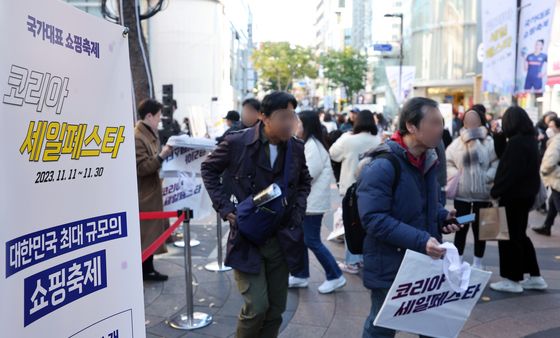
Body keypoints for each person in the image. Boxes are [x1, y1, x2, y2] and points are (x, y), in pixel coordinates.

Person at [201, 91, 311, 338]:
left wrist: (297, 212)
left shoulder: (295, 148)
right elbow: (208, 168)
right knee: (257, 307)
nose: (289, 123)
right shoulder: (237, 142)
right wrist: (226, 209)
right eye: (283, 116)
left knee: (276, 309)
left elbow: (304, 181)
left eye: (292, 116)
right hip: (247, 236)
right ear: (263, 117)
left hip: (281, 237)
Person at [357, 97, 461, 338]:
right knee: (382, 325)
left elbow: (423, 205)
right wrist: (421, 240)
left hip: (424, 260)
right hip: (390, 262)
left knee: (431, 322)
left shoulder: (428, 159)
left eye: (441, 122)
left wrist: (441, 216)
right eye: (434, 123)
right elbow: (373, 219)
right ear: (412, 127)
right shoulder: (382, 165)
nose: (441, 129)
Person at [490, 106, 547, 293]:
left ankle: (512, 279)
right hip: (524, 197)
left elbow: (511, 172)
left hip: (512, 197)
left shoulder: (517, 143)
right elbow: (505, 157)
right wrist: (499, 138)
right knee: (520, 236)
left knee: (508, 238)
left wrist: (496, 190)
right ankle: (535, 276)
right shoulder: (528, 141)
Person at [288, 111, 346, 293]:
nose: (294, 126)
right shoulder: (309, 144)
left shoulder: (312, 146)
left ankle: (335, 275)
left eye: (297, 123)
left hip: (311, 203)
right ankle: (300, 275)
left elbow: (307, 174)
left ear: (306, 125)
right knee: (302, 239)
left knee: (312, 240)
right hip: (308, 202)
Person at [446, 106, 499, 269]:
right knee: (461, 227)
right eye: (468, 119)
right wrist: (457, 176)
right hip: (462, 196)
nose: (471, 121)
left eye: (474, 119)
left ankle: (478, 262)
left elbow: (496, 163)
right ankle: (458, 260)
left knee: (481, 231)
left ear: (481, 121)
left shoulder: (490, 142)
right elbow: (448, 162)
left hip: (483, 196)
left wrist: (487, 177)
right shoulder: (456, 143)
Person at [330, 110, 381, 274]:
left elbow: (333, 154)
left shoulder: (348, 139)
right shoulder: (378, 140)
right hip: (374, 188)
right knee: (368, 225)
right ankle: (366, 259)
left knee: (351, 225)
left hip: (351, 188)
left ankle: (352, 261)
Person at [135, 99, 174, 281]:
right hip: (145, 193)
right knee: (146, 235)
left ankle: (148, 269)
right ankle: (146, 270)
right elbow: (142, 167)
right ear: (149, 116)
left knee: (149, 234)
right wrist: (162, 156)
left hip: (151, 191)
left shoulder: (148, 134)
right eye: (158, 116)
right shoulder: (138, 137)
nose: (160, 120)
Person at [535, 126, 560, 236]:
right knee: (552, 202)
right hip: (556, 178)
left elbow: (550, 161)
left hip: (556, 179)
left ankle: (547, 226)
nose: (549, 128)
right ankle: (547, 226)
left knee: (557, 202)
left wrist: (544, 171)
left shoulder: (557, 141)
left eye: (552, 126)